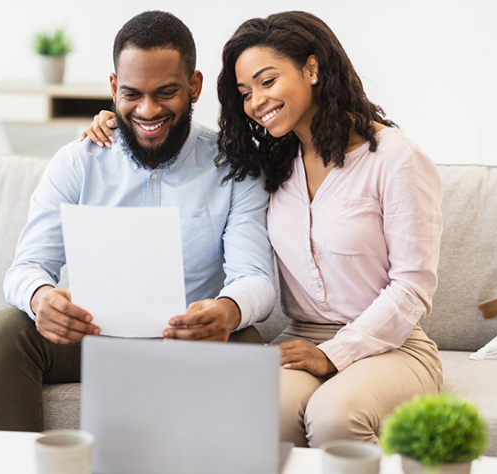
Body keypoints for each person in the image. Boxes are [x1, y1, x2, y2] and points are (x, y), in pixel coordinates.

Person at [86, 10, 443, 448]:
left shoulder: (395, 158)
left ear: (312, 69)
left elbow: (413, 287)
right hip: (301, 337)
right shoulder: (271, 163)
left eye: (267, 82)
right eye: (244, 92)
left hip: (392, 346)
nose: (255, 101)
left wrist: (334, 353)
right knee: (254, 415)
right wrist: (114, 128)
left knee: (335, 417)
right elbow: (157, 132)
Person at [0, 10, 276, 432]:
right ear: (114, 88)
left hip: (187, 342)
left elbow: (257, 277)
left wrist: (226, 311)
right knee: (7, 330)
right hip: (92, 338)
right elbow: (24, 268)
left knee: (245, 342)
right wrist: (41, 298)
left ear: (194, 87)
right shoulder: (79, 162)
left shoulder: (233, 168)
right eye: (132, 93)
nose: (148, 110)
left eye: (166, 92)